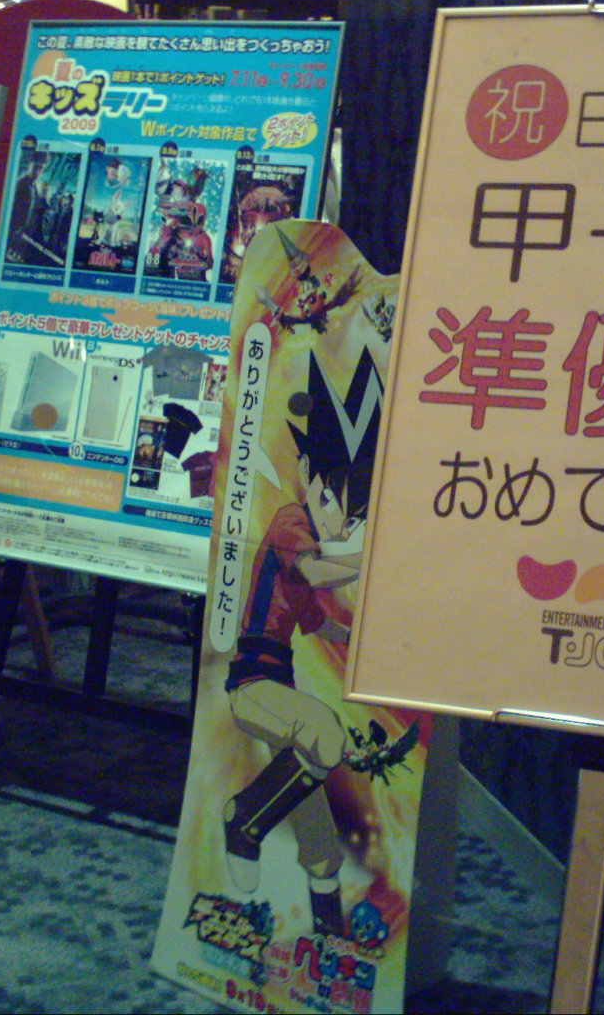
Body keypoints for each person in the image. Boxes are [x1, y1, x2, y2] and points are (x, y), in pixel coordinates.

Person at [223, 348, 382, 938]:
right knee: (323, 732)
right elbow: (317, 573)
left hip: (279, 688)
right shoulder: (291, 523)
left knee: (321, 849)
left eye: (356, 517)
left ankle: (328, 937)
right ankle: (243, 819)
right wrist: (377, 558)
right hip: (252, 683)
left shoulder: (310, 553)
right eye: (339, 502)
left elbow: (323, 626)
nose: (342, 524)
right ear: (311, 477)